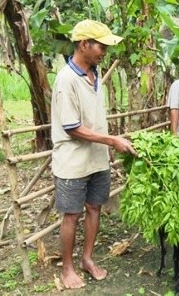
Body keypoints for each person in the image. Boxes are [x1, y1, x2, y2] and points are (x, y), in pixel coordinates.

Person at [51, 19, 137, 289]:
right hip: (73, 162)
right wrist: (112, 140)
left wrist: (107, 145)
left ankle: (87, 259)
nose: (105, 52)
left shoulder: (95, 74)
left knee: (94, 208)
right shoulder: (66, 80)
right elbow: (72, 127)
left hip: (97, 158)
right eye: (101, 46)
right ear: (84, 44)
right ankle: (67, 268)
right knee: (72, 215)